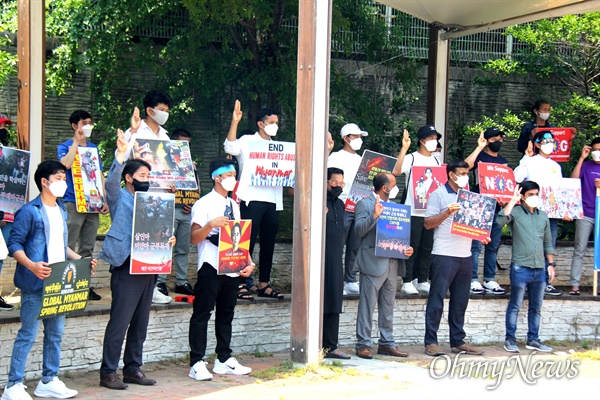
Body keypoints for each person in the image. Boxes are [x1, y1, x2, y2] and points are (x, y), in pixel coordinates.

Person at [3, 160, 93, 400]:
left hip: (58, 285)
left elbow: (59, 245)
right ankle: (13, 385)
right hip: (35, 284)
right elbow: (14, 244)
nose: (63, 183)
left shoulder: (61, 209)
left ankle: (49, 380)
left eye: (64, 178)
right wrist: (31, 265)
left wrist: (81, 259)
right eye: (58, 178)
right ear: (44, 181)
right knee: (28, 335)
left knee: (55, 335)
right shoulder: (29, 211)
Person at [98, 131, 175, 390]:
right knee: (120, 321)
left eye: (148, 176)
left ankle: (133, 368)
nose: (147, 180)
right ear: (129, 178)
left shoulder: (152, 201)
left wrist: (168, 239)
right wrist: (121, 154)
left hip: (149, 265)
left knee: (141, 322)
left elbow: (160, 228)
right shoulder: (120, 196)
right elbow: (109, 183)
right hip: (126, 264)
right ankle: (109, 372)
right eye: (142, 176)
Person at [188, 158, 254, 381]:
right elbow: (194, 238)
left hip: (232, 266)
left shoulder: (234, 205)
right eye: (229, 175)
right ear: (217, 177)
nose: (233, 179)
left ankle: (223, 358)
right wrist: (210, 225)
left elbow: (239, 236)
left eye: (235, 174)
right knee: (202, 312)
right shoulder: (204, 204)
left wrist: (249, 261)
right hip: (211, 265)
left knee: (227, 313)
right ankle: (196, 361)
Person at [423, 160, 487, 357]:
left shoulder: (470, 197)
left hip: (465, 255)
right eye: (462, 173)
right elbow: (427, 223)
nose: (465, 176)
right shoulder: (438, 194)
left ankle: (458, 341)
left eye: (467, 173)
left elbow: (473, 225)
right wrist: (447, 212)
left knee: (460, 301)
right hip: (443, 254)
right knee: (437, 298)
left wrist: (482, 234)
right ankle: (431, 341)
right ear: (451, 174)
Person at [224, 100, 284, 299]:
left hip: (273, 199)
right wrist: (235, 122)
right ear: (261, 123)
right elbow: (230, 147)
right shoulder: (247, 140)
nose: (275, 125)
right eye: (271, 121)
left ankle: (263, 283)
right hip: (250, 198)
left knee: (268, 243)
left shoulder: (279, 147)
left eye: (277, 122)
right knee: (245, 240)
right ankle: (240, 282)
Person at [354, 172, 413, 359]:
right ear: (385, 188)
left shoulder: (395, 207)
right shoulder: (364, 204)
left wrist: (406, 248)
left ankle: (387, 343)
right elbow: (359, 231)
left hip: (392, 262)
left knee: (387, 307)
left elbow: (398, 234)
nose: (397, 187)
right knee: (367, 306)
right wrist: (374, 216)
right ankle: (363, 344)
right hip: (372, 262)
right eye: (394, 184)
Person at [124, 89, 174, 304]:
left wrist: (174, 182)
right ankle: (136, 286)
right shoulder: (134, 131)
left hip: (162, 196)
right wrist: (133, 133)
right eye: (161, 110)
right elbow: (124, 157)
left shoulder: (165, 136)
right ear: (149, 110)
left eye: (167, 110)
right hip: (141, 195)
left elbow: (172, 166)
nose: (164, 114)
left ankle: (153, 285)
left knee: (159, 241)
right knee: (140, 241)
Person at [497, 181, 556, 353]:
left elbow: (548, 243)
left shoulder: (543, 216)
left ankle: (533, 339)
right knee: (515, 305)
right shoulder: (515, 212)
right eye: (530, 194)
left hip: (540, 268)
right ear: (523, 196)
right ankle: (510, 339)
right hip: (520, 268)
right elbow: (500, 221)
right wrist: (513, 201)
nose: (534, 197)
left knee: (536, 307)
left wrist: (551, 264)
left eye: (536, 193)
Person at [57, 110, 108, 301]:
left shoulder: (93, 147)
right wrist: (76, 143)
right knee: (69, 244)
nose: (88, 126)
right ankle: (64, 284)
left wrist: (104, 199)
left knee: (87, 246)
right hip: (73, 200)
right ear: (74, 125)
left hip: (93, 203)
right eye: (84, 122)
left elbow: (100, 173)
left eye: (90, 122)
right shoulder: (65, 146)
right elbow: (65, 166)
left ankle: (84, 285)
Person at [514, 130, 568, 296]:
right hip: (530, 211)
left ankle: (545, 281)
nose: (549, 144)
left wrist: (565, 209)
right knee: (529, 245)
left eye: (552, 141)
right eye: (545, 141)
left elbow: (560, 192)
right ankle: (528, 281)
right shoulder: (529, 162)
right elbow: (517, 177)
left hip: (550, 214)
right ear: (537, 144)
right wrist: (525, 158)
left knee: (548, 245)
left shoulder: (555, 166)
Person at [392, 126, 442, 295]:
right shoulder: (411, 158)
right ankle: (407, 281)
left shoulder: (436, 161)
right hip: (413, 210)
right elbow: (396, 171)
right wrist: (404, 148)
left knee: (427, 247)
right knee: (411, 245)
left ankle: (421, 279)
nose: (434, 141)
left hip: (431, 212)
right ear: (422, 141)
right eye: (431, 138)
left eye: (436, 138)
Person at [463, 127, 508, 295]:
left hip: (496, 207)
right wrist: (479, 147)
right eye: (495, 139)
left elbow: (505, 184)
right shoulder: (480, 157)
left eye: (500, 139)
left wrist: (504, 200)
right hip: (479, 206)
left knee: (493, 245)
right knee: (475, 246)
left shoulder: (503, 162)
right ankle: (473, 279)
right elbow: (465, 166)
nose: (499, 141)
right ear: (488, 140)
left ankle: (489, 279)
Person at [156, 128, 199, 296]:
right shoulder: (162, 164)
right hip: (169, 209)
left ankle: (182, 282)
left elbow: (196, 188)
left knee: (183, 249)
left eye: (188, 145)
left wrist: (193, 203)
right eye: (181, 144)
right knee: (165, 246)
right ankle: (160, 282)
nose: (185, 148)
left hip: (186, 211)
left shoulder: (191, 165)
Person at [327, 123, 369, 296]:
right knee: (338, 244)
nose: (359, 139)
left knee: (355, 244)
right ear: (346, 138)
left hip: (359, 206)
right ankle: (334, 279)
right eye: (355, 136)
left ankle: (350, 280)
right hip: (342, 205)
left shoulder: (364, 160)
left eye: (360, 136)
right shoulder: (335, 157)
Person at [322, 167, 351, 359]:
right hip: (319, 259)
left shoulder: (340, 204)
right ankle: (316, 344)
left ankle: (330, 345)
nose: (338, 186)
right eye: (334, 182)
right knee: (319, 301)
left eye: (341, 183)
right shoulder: (318, 202)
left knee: (334, 300)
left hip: (335, 259)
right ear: (325, 183)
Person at [569, 138, 600, 295]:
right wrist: (582, 157)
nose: (597, 152)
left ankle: (599, 286)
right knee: (579, 249)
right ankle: (575, 285)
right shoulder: (586, 166)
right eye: (594, 149)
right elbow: (574, 180)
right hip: (585, 213)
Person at [0, 112, 15, 311]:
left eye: (5, 127)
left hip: (7, 211)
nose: (4, 130)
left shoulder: (7, 153)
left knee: (1, 255)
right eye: (1, 126)